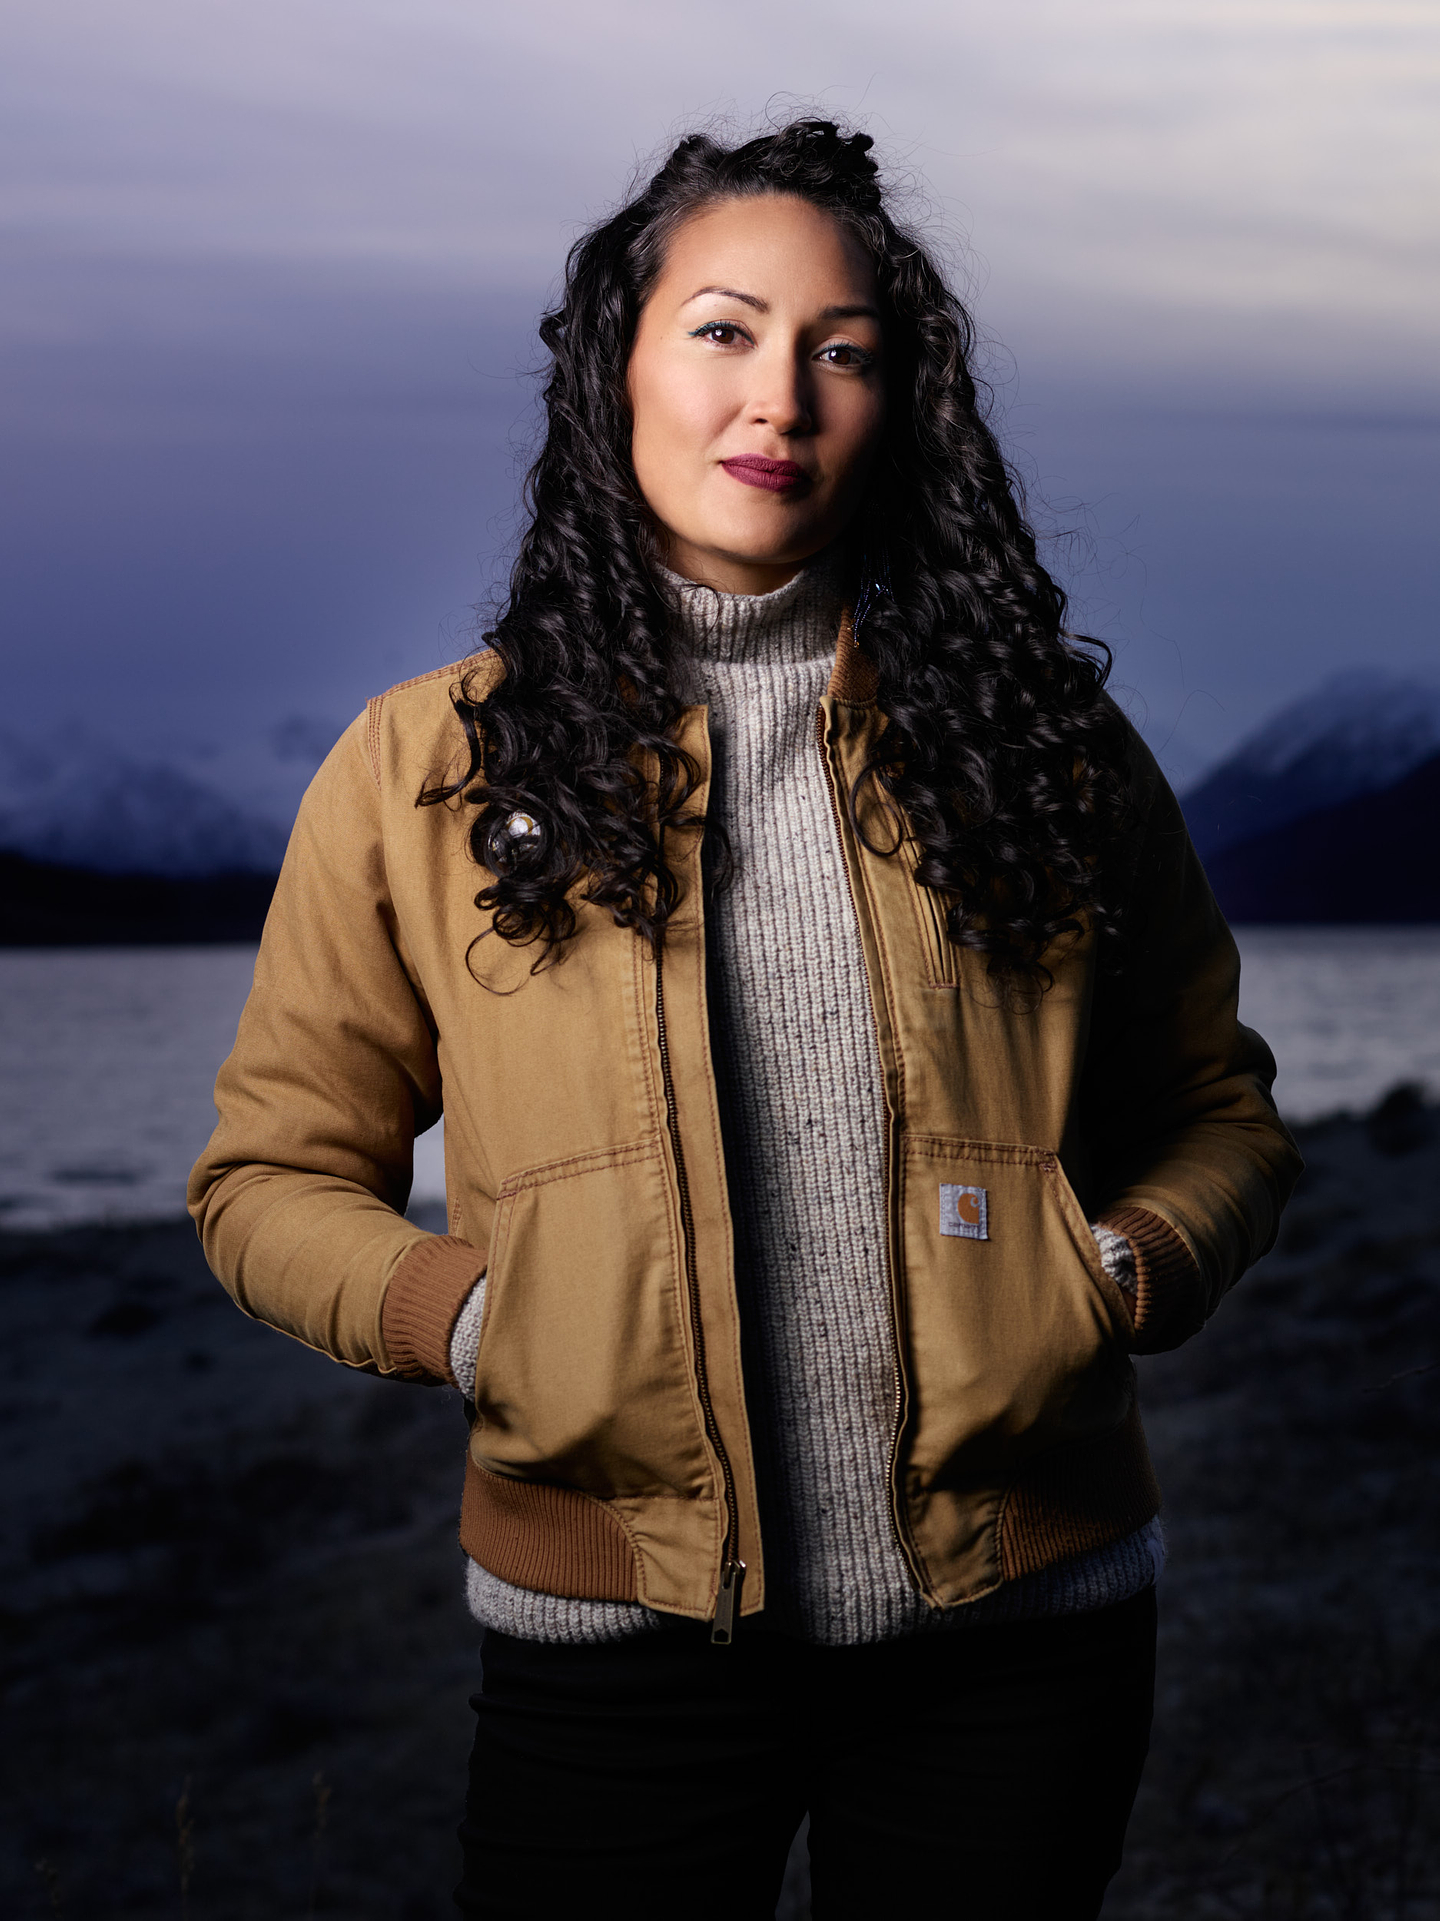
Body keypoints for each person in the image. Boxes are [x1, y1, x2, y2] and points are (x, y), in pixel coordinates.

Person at [190, 120, 1301, 1919]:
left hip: (1022, 1635)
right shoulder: (424, 772)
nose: (778, 392)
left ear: (898, 401)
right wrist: (472, 1319)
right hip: (608, 1643)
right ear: (614, 366)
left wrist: (1135, 1261)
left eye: (841, 349)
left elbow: (1220, 1109)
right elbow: (264, 1180)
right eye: (721, 328)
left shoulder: (1049, 748)